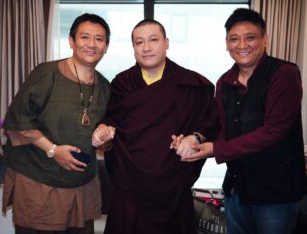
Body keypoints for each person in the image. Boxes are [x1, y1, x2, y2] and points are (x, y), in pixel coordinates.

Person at [172, 8, 307, 234]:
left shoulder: (284, 74)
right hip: (237, 191)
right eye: (234, 39)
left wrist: (214, 149)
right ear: (226, 43)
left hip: (275, 196)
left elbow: (272, 132)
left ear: (264, 40)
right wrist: (193, 139)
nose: (242, 45)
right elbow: (219, 127)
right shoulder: (225, 81)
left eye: (250, 37)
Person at [91, 19, 219, 234]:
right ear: (133, 47)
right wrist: (102, 129)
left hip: (173, 186)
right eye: (139, 42)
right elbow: (110, 121)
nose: (146, 47)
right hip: (129, 186)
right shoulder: (122, 84)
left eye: (153, 40)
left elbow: (211, 122)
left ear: (166, 42)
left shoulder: (191, 84)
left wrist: (194, 138)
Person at [1, 13, 111, 234]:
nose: (92, 44)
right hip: (39, 183)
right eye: (85, 37)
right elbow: (18, 121)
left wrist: (104, 139)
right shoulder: (47, 73)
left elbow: (104, 137)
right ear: (71, 41)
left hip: (82, 186)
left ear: (106, 47)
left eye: (99, 39)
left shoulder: (106, 87)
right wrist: (53, 150)